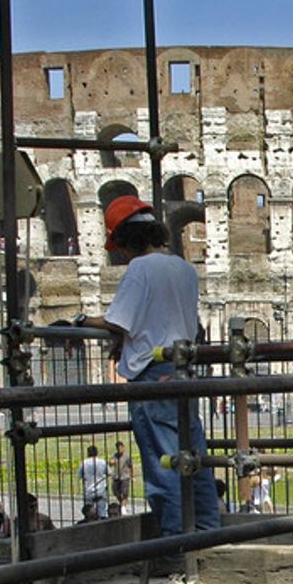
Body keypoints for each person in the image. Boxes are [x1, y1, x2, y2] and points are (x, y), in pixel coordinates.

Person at [77, 196, 222, 536]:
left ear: (128, 240)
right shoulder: (185, 269)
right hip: (184, 370)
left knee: (164, 465)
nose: (121, 255)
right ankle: (209, 531)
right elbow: (158, 319)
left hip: (152, 375)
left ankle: (175, 542)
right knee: (194, 458)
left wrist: (83, 319)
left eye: (121, 247)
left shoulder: (140, 269)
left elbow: (118, 320)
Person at [78, 444, 109, 519]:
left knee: (89, 512)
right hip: (101, 490)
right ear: (97, 452)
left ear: (88, 453)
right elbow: (109, 473)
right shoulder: (102, 462)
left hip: (89, 490)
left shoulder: (84, 463)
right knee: (102, 512)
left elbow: (80, 475)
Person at [110, 440, 133, 509]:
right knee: (115, 491)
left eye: (120, 448)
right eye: (118, 448)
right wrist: (111, 462)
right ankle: (122, 503)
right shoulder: (115, 455)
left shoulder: (127, 457)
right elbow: (110, 464)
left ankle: (123, 507)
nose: (119, 450)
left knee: (124, 493)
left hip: (125, 477)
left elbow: (131, 466)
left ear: (123, 447)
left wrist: (132, 476)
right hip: (116, 477)